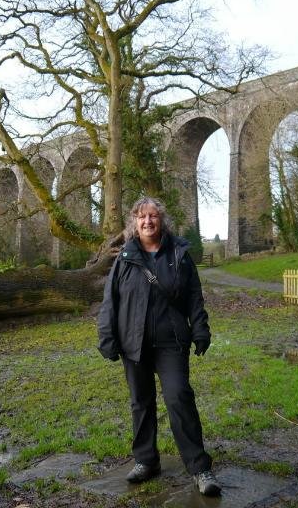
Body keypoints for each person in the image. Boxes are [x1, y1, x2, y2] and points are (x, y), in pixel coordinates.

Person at [97, 196, 221, 496]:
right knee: (141, 402)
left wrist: (201, 329)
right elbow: (110, 301)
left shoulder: (178, 253)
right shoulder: (125, 257)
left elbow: (194, 295)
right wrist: (107, 337)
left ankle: (199, 467)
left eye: (153, 216)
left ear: (161, 220)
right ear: (134, 222)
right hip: (133, 342)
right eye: (142, 217)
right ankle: (146, 460)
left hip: (171, 341)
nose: (148, 221)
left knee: (179, 397)